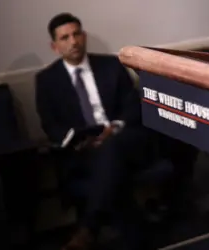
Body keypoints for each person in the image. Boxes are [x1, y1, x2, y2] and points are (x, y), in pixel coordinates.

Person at [35, 13, 156, 249]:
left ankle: (89, 228)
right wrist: (75, 140)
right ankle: (135, 239)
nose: (73, 42)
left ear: (84, 35)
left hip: (124, 139)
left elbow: (133, 105)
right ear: (55, 46)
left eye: (76, 34)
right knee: (113, 173)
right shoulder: (47, 80)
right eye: (65, 37)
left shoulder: (110, 65)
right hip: (84, 152)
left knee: (112, 148)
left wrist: (115, 127)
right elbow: (51, 125)